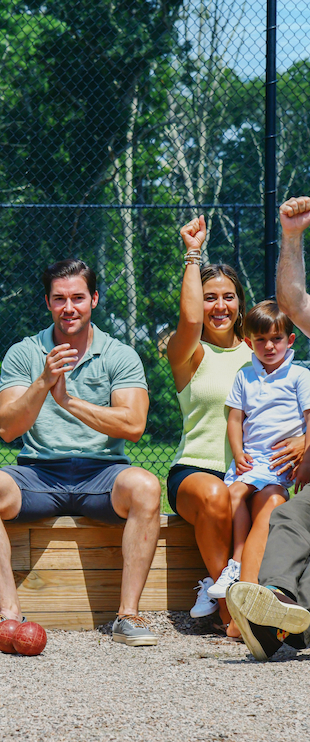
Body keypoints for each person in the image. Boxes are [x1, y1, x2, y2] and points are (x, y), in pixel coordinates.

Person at [0, 258, 162, 647]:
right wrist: (44, 382)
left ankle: (127, 615)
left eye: (78, 298)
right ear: (48, 302)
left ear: (94, 300)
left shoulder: (120, 354)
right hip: (39, 473)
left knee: (147, 486)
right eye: (59, 299)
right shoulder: (25, 352)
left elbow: (133, 426)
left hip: (102, 474)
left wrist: (68, 401)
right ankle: (10, 616)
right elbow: (8, 429)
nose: (69, 307)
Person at [165, 217, 303, 635]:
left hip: (258, 470)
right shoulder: (187, 352)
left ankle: (254, 600)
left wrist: (301, 438)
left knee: (275, 505)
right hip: (198, 472)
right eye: (210, 298)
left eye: (228, 297)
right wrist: (193, 254)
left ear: (241, 304)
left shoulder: (261, 353)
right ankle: (225, 599)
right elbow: (189, 321)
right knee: (215, 494)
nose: (219, 306)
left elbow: (296, 398)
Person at [228, 196, 310, 660]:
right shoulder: (252, 374)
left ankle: (292, 625)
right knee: (290, 517)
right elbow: (293, 301)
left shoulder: (298, 376)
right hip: (290, 479)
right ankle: (272, 609)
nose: (269, 345)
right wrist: (293, 236)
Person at [215, 300, 310, 601]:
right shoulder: (245, 375)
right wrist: (238, 452)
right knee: (232, 495)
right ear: (249, 342)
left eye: (276, 339)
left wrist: (306, 459)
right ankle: (237, 563)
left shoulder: (299, 376)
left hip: (280, 464)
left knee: (270, 500)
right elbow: (234, 418)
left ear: (290, 340)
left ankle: (243, 567)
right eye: (261, 340)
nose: (269, 346)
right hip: (252, 460)